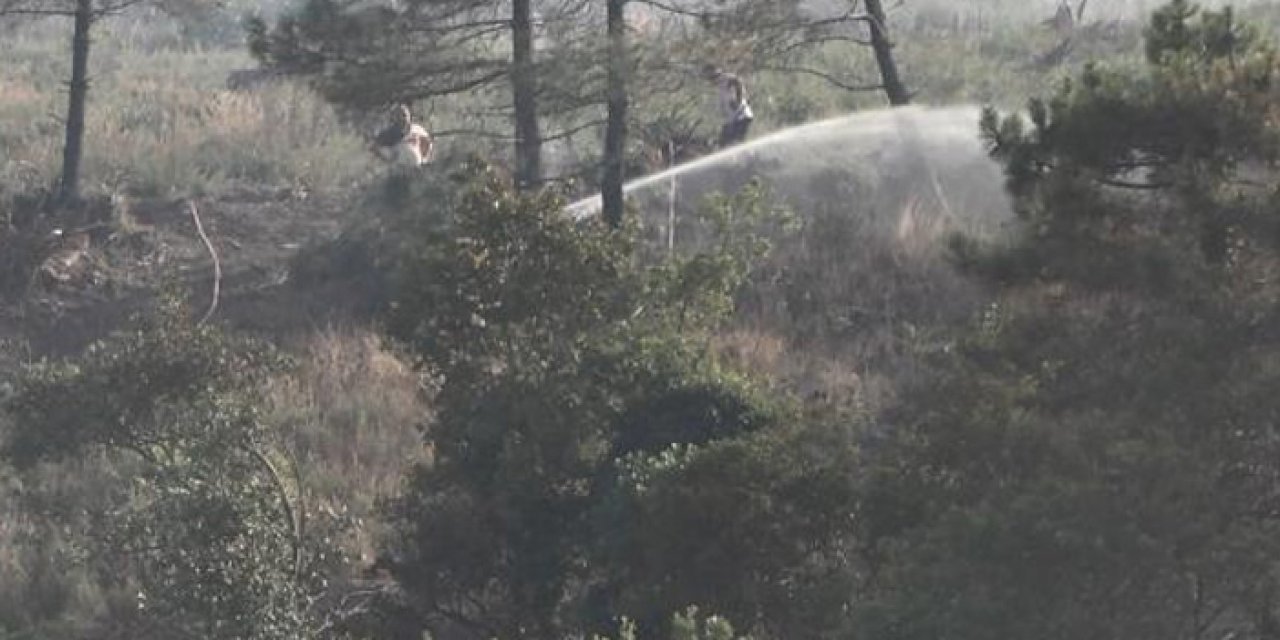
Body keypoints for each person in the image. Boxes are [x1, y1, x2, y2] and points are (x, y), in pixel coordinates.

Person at [703, 64, 754, 148]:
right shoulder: (719, 86)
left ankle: (749, 158)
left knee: (734, 141)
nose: (709, 80)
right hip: (732, 119)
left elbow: (738, 83)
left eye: (708, 75)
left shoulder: (725, 78)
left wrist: (738, 100)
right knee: (724, 141)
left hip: (741, 116)